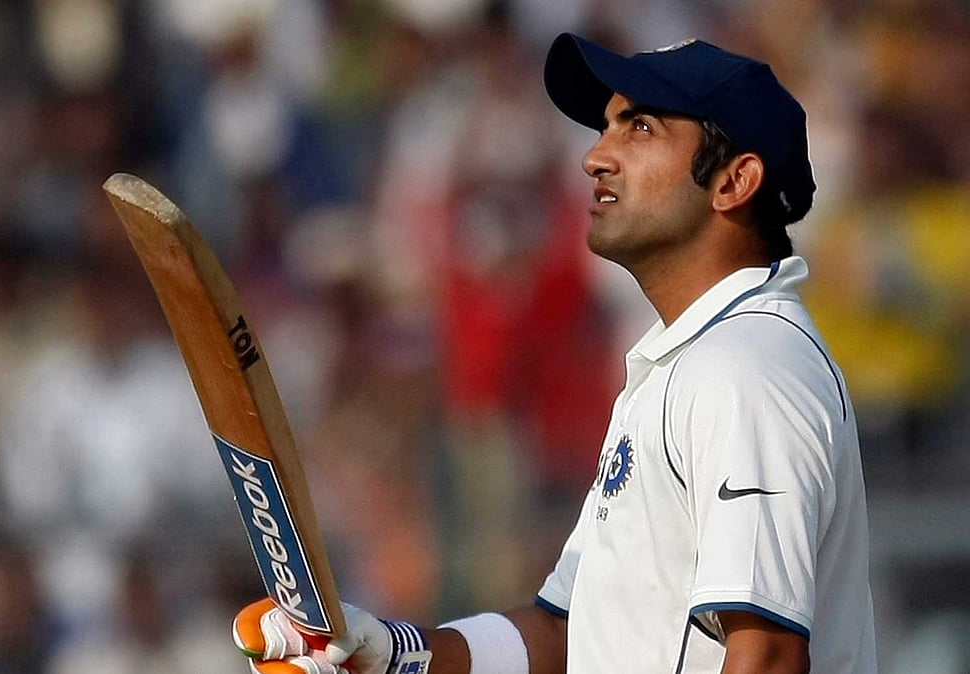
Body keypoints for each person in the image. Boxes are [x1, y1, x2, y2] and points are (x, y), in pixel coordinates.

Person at [231, 33, 878, 674]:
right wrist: (396, 653)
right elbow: (568, 630)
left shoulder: (745, 366)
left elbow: (765, 654)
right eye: (606, 128)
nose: (595, 157)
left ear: (735, 181)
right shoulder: (681, 365)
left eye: (641, 129)